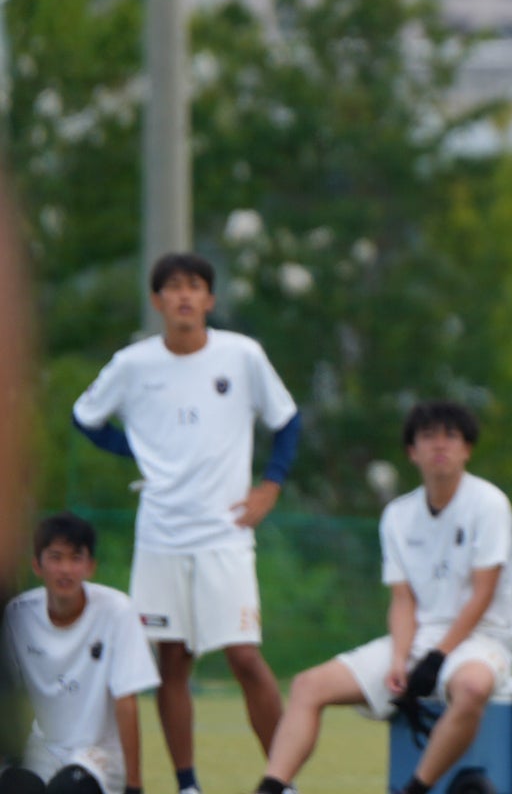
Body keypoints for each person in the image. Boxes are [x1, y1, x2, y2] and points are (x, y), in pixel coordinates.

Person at [70, 253, 298, 794]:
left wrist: (270, 486)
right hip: (162, 536)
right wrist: (141, 451)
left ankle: (282, 780)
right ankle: (188, 784)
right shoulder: (134, 364)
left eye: (195, 287)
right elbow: (85, 417)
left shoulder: (242, 355)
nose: (184, 297)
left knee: (245, 656)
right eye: (172, 288)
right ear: (157, 302)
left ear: (210, 300)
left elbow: (287, 420)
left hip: (225, 535)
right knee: (172, 662)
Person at [251, 401, 512, 794]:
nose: (439, 445)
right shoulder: (397, 514)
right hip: (418, 639)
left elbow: (483, 595)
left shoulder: (489, 503)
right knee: (308, 686)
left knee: (472, 688)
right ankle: (273, 787)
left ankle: (414, 789)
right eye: (428, 437)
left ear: (467, 449)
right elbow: (403, 599)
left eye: (451, 436)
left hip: (483, 639)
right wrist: (399, 660)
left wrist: (438, 658)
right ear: (412, 451)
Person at [1, 515, 159, 794]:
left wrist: (134, 787)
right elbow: (8, 692)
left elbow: (126, 702)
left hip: (98, 757)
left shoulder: (117, 611)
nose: (66, 569)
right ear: (37, 565)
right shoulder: (18, 614)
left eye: (76, 558)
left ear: (90, 566)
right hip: (41, 751)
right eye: (56, 558)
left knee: (67, 790)